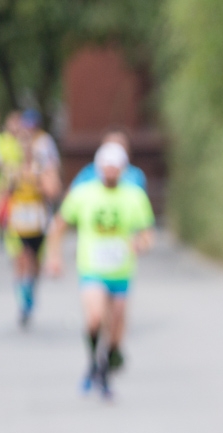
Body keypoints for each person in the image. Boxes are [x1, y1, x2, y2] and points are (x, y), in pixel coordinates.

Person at [46, 142, 154, 397]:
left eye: (115, 167)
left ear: (122, 169)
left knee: (116, 324)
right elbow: (59, 225)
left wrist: (140, 243)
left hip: (121, 271)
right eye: (106, 167)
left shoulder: (134, 196)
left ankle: (107, 364)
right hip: (92, 267)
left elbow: (148, 233)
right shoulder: (84, 193)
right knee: (95, 318)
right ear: (98, 167)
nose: (110, 172)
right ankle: (93, 362)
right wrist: (54, 257)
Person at [0, 112, 59, 326]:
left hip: (38, 222)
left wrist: (39, 182)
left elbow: (54, 191)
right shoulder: (12, 172)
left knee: (35, 262)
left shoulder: (43, 169)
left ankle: (31, 289)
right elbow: (1, 198)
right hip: (18, 223)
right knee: (21, 258)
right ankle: (23, 299)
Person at [69, 129, 149, 193]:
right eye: (109, 147)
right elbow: (70, 199)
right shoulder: (87, 173)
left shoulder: (136, 175)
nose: (114, 153)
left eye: (119, 147)